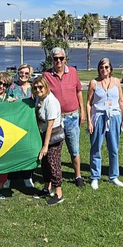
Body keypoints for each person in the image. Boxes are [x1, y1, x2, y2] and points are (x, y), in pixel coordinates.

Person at [43, 48, 86, 188]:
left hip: (72, 117)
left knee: (74, 149)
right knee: (54, 152)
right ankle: (52, 179)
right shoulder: (46, 75)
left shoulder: (73, 72)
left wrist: (83, 111)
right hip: (55, 120)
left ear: (65, 59)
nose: (58, 61)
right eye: (56, 58)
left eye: (61, 58)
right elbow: (41, 94)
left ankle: (78, 176)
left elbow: (79, 92)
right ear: (52, 60)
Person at [86, 57, 123, 189]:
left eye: (106, 67)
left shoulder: (116, 81)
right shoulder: (94, 83)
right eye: (101, 67)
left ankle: (114, 176)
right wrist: (89, 122)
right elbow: (88, 103)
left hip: (114, 116)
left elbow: (121, 101)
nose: (104, 70)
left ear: (110, 69)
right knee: (96, 147)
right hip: (98, 117)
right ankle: (95, 177)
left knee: (114, 148)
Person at [32, 76, 64, 206]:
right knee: (44, 163)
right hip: (43, 133)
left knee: (53, 163)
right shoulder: (39, 99)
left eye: (41, 87)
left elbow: (50, 125)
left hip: (53, 136)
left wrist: (45, 145)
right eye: (35, 87)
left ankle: (59, 193)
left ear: (46, 87)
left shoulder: (51, 101)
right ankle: (47, 188)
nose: (38, 89)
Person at [6, 63, 35, 188]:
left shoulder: (33, 87)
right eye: (21, 73)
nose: (23, 75)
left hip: (30, 124)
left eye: (26, 73)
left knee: (28, 151)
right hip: (15, 125)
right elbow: (6, 103)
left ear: (30, 74)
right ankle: (10, 177)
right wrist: (10, 102)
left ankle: (27, 176)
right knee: (14, 152)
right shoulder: (12, 87)